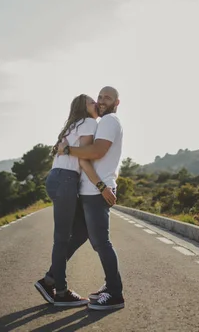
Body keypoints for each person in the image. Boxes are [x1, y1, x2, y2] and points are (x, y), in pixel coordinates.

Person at [34, 93, 108, 307]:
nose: (96, 104)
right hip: (66, 179)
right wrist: (101, 186)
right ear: (84, 108)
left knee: (82, 229)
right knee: (62, 237)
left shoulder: (74, 125)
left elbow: (76, 154)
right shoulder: (88, 122)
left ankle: (50, 279)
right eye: (92, 102)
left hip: (59, 179)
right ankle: (61, 292)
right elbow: (84, 157)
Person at [57, 85, 125, 311]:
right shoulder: (102, 123)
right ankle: (52, 278)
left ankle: (115, 294)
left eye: (107, 97)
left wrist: (67, 151)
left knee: (100, 243)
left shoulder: (109, 121)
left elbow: (96, 152)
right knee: (80, 237)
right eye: (100, 97)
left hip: (96, 192)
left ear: (117, 102)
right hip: (89, 191)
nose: (102, 100)